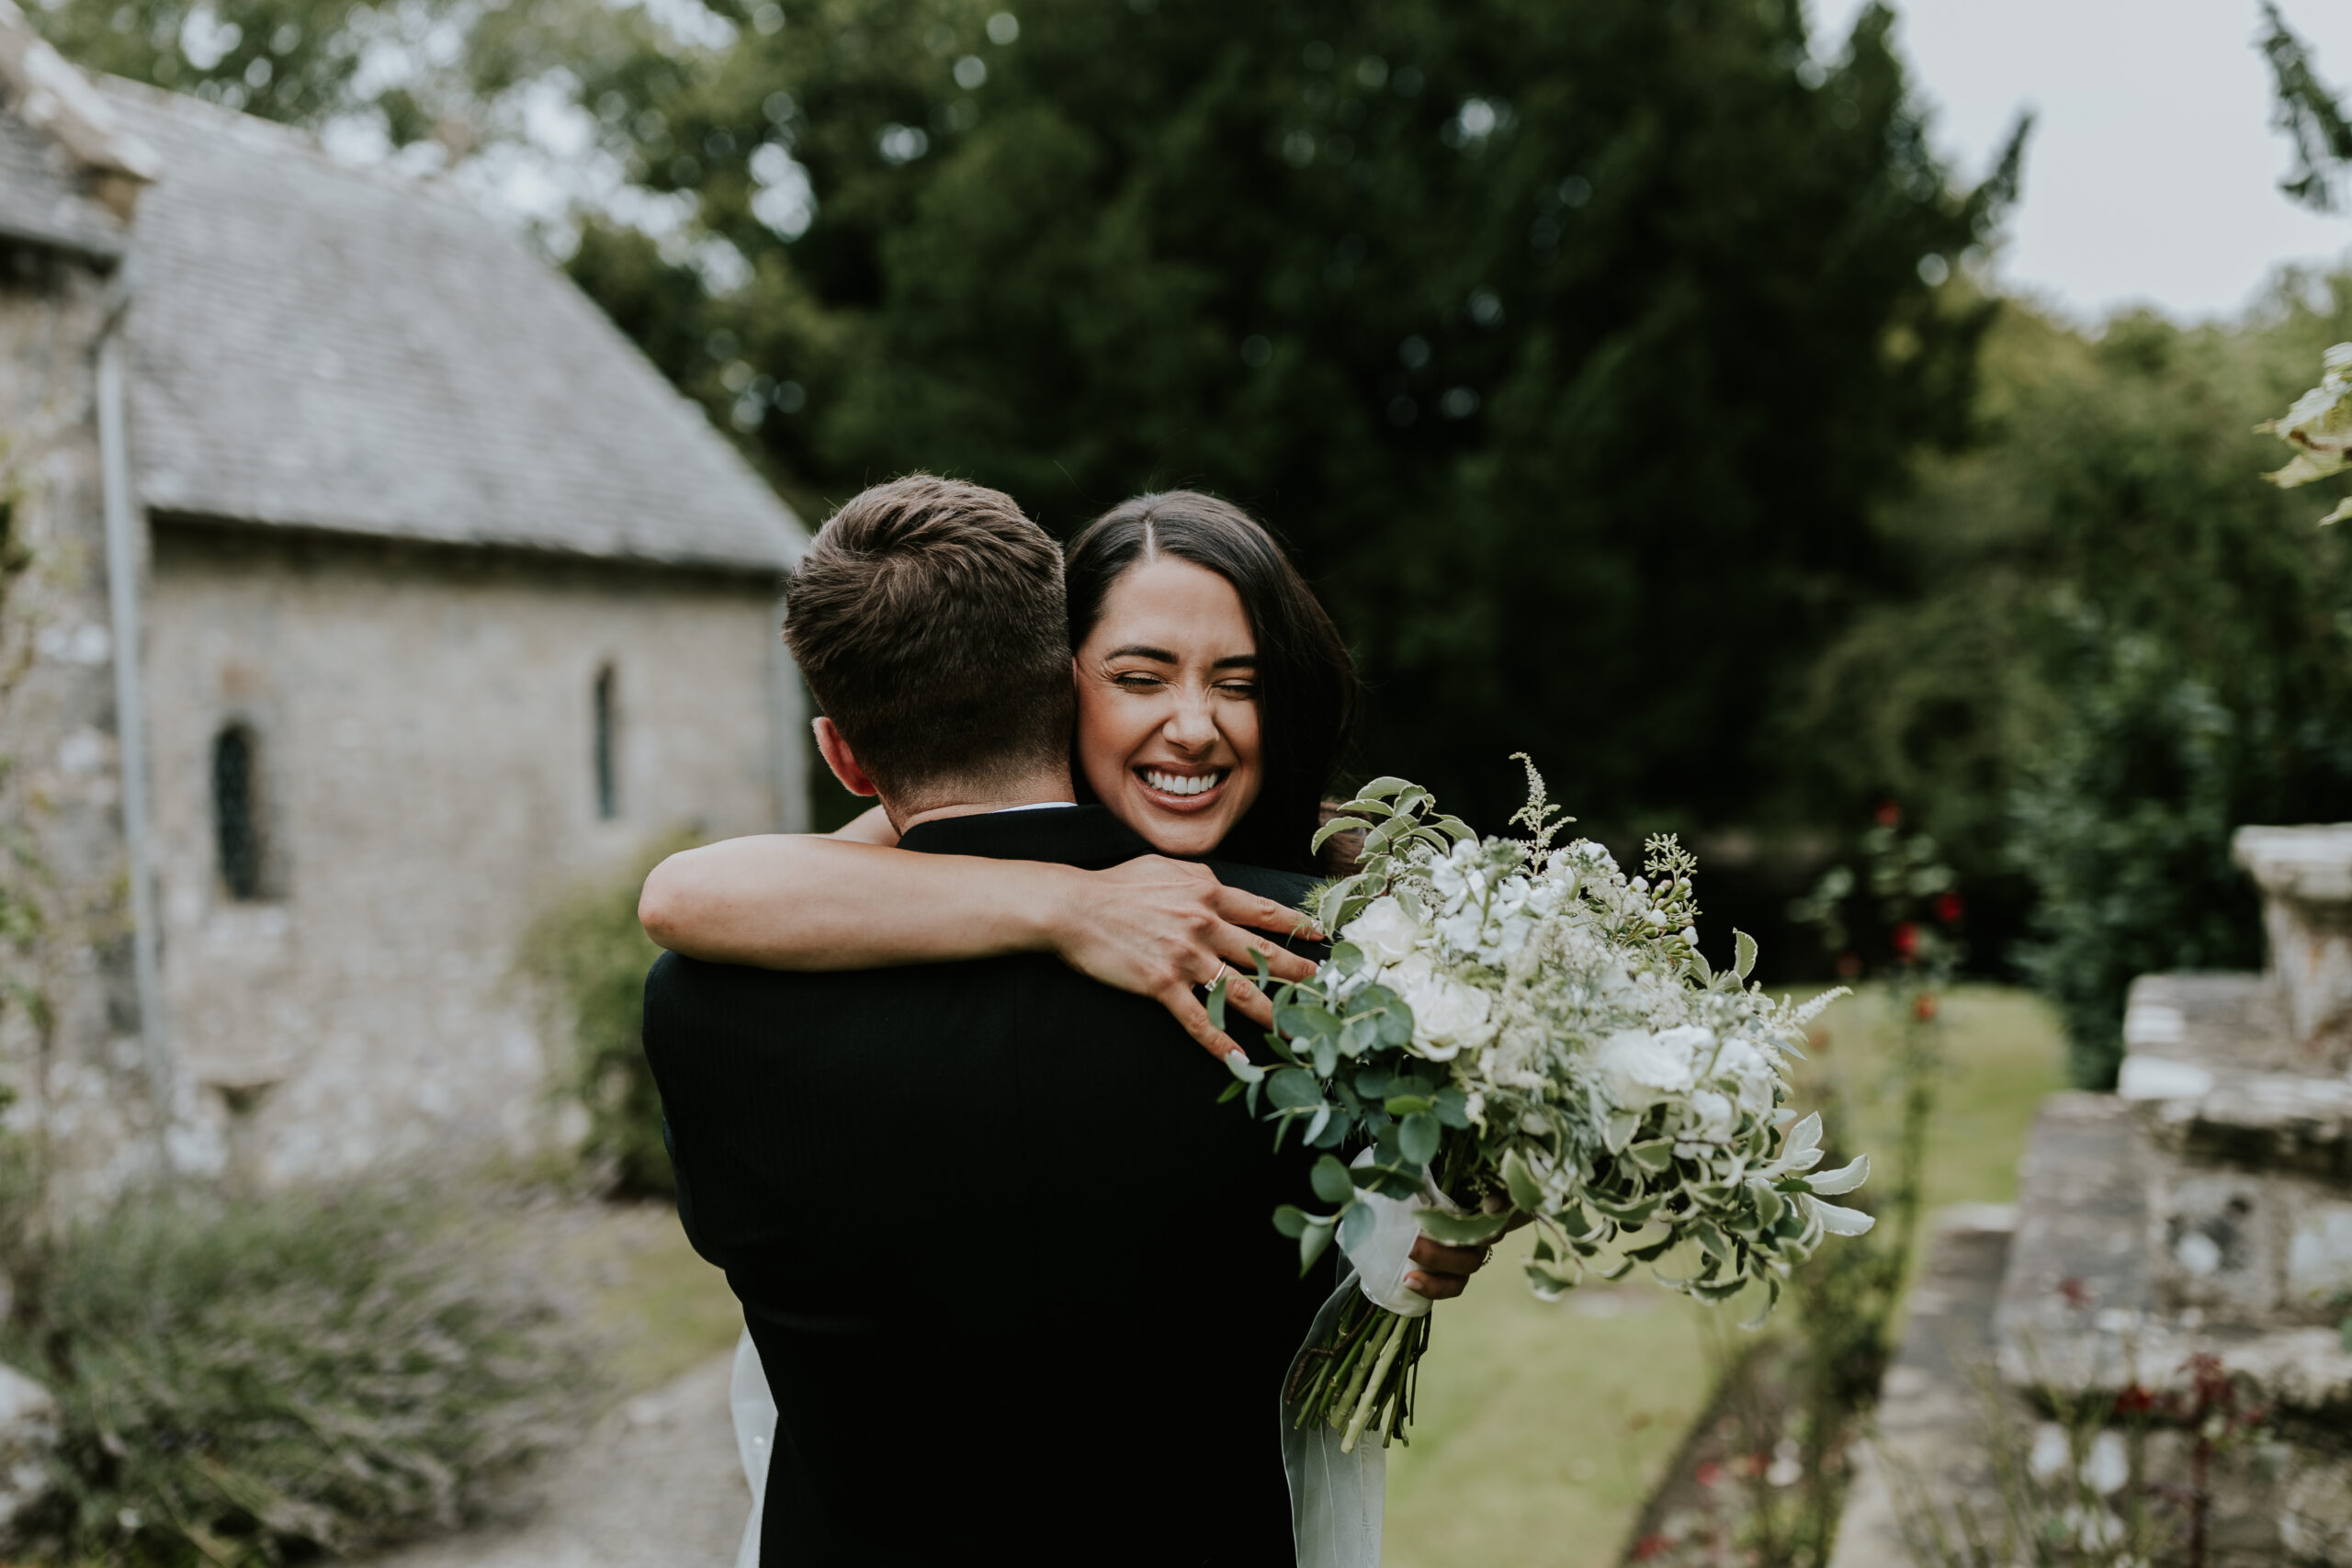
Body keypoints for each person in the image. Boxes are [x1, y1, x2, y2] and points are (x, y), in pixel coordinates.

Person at [642, 478, 1490, 1567]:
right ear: (1068, 693)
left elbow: (687, 896)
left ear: (844, 757)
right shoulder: (1304, 971)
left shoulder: (703, 1001)